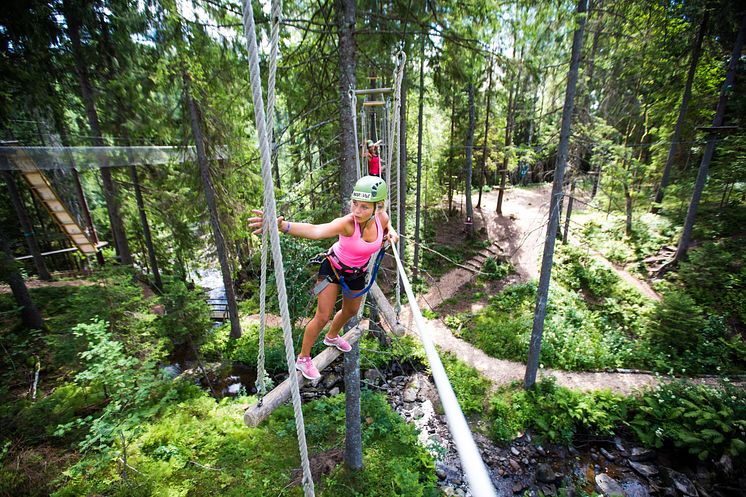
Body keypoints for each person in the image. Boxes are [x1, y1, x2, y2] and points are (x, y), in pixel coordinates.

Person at [248, 176, 399, 380]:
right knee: (323, 315)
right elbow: (316, 230)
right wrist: (284, 227)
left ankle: (332, 336)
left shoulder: (382, 218)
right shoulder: (347, 223)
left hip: (357, 272)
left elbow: (388, 225)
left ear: (377, 207)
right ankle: (303, 358)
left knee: (351, 311)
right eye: (355, 204)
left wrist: (391, 233)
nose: (357, 211)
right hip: (333, 268)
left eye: (364, 207)